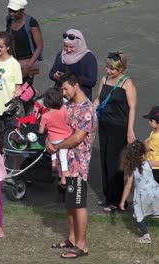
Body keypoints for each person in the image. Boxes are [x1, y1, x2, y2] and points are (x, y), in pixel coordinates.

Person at [47, 73, 96, 259]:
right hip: (65, 164)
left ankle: (82, 246)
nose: (64, 93)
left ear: (76, 85)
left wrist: (57, 146)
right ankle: (72, 239)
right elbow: (55, 125)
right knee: (70, 204)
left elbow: (77, 138)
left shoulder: (87, 110)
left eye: (66, 89)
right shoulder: (68, 106)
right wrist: (48, 140)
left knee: (78, 204)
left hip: (78, 165)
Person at [93, 51, 137, 213]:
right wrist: (91, 113)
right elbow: (98, 99)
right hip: (104, 125)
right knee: (105, 159)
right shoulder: (104, 80)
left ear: (122, 70)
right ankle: (108, 197)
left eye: (112, 69)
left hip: (120, 127)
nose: (108, 71)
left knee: (115, 162)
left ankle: (117, 200)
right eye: (107, 67)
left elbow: (132, 108)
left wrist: (130, 129)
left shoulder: (127, 83)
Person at [119, 140, 159, 244]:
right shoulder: (149, 163)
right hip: (155, 191)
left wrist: (122, 201)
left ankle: (146, 236)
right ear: (143, 152)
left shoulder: (131, 169)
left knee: (138, 215)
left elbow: (128, 186)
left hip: (142, 195)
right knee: (156, 209)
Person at [49, 29, 97, 100]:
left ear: (79, 44)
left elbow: (91, 81)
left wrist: (70, 79)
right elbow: (51, 73)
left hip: (79, 98)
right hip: (61, 97)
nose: (68, 50)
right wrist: (55, 76)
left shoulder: (88, 58)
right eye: (65, 46)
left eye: (71, 47)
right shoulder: (61, 55)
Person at [38, 87, 72, 186]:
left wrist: (45, 129)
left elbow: (40, 131)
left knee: (52, 148)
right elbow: (67, 121)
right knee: (63, 156)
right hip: (65, 138)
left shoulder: (45, 116)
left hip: (53, 139)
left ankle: (53, 163)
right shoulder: (63, 110)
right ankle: (64, 179)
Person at [5, 0, 43, 81]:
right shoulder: (9, 20)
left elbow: (39, 47)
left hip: (27, 63)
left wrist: (28, 67)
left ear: (22, 10)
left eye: (15, 11)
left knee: (23, 91)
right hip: (12, 61)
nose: (11, 13)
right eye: (10, 10)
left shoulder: (31, 22)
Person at [143, 106, 159, 183]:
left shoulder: (157, 137)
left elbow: (147, 148)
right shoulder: (154, 132)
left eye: (151, 120)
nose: (149, 122)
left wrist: (145, 142)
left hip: (155, 167)